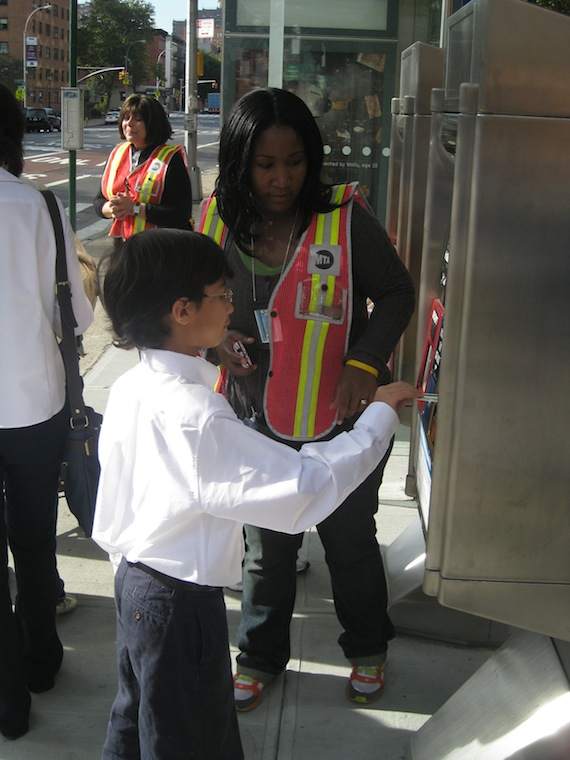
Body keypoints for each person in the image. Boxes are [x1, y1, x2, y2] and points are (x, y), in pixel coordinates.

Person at [92, 228, 417, 760]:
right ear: (182, 310)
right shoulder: (197, 416)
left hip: (135, 585)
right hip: (178, 606)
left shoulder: (133, 387)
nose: (231, 306)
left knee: (136, 722)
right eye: (222, 295)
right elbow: (304, 489)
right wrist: (377, 416)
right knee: (186, 740)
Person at [197, 87, 415, 709]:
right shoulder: (216, 220)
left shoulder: (342, 219)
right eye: (265, 165)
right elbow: (189, 305)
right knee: (267, 547)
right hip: (252, 420)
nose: (281, 179)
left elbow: (396, 292)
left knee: (349, 542)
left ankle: (368, 648)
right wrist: (222, 342)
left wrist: (364, 362)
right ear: (241, 162)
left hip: (337, 419)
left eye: (294, 162)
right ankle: (260, 655)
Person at [0, 84, 93, 740]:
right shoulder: (35, 205)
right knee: (33, 540)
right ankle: (41, 661)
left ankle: (8, 706)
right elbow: (78, 313)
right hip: (35, 402)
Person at [93, 94, 192, 248]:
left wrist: (136, 208)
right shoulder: (117, 153)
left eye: (138, 119)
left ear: (153, 124)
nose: (129, 124)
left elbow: (181, 213)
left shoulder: (170, 159)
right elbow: (99, 200)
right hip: (124, 249)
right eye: (126, 118)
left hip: (162, 251)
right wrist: (112, 209)